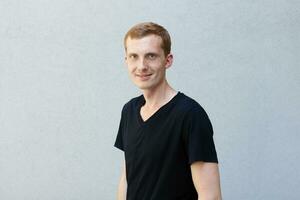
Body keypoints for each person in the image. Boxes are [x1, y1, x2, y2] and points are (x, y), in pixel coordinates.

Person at [114, 22, 222, 200]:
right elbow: (127, 178)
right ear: (126, 61)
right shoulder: (129, 111)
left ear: (168, 60)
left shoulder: (190, 115)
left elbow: (210, 196)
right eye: (134, 56)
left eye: (151, 56)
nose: (141, 66)